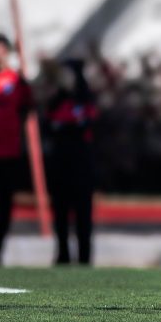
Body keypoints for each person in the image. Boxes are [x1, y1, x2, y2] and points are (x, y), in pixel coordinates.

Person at [0, 33, 33, 266]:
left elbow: (29, 108)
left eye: (1, 49)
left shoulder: (16, 81)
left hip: (7, 153)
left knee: (4, 205)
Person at [43, 58, 97, 265]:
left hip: (82, 165)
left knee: (83, 214)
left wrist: (64, 127)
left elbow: (85, 125)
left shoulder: (86, 100)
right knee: (60, 212)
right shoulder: (56, 101)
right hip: (60, 164)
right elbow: (49, 127)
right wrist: (67, 128)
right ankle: (62, 255)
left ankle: (85, 257)